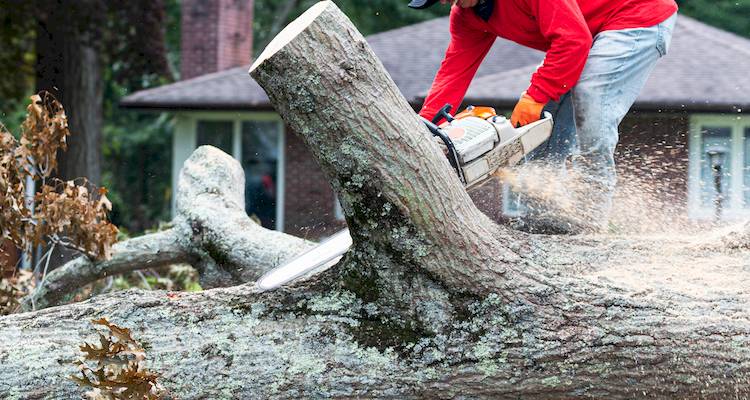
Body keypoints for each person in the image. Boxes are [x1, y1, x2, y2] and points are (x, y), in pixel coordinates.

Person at [410, 0, 678, 233]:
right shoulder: (466, 15)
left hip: (636, 16)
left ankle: (591, 218)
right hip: (587, 32)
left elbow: (573, 41)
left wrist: (536, 96)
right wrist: (424, 131)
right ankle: (540, 218)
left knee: (590, 97)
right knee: (540, 123)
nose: (445, 2)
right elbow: (454, 73)